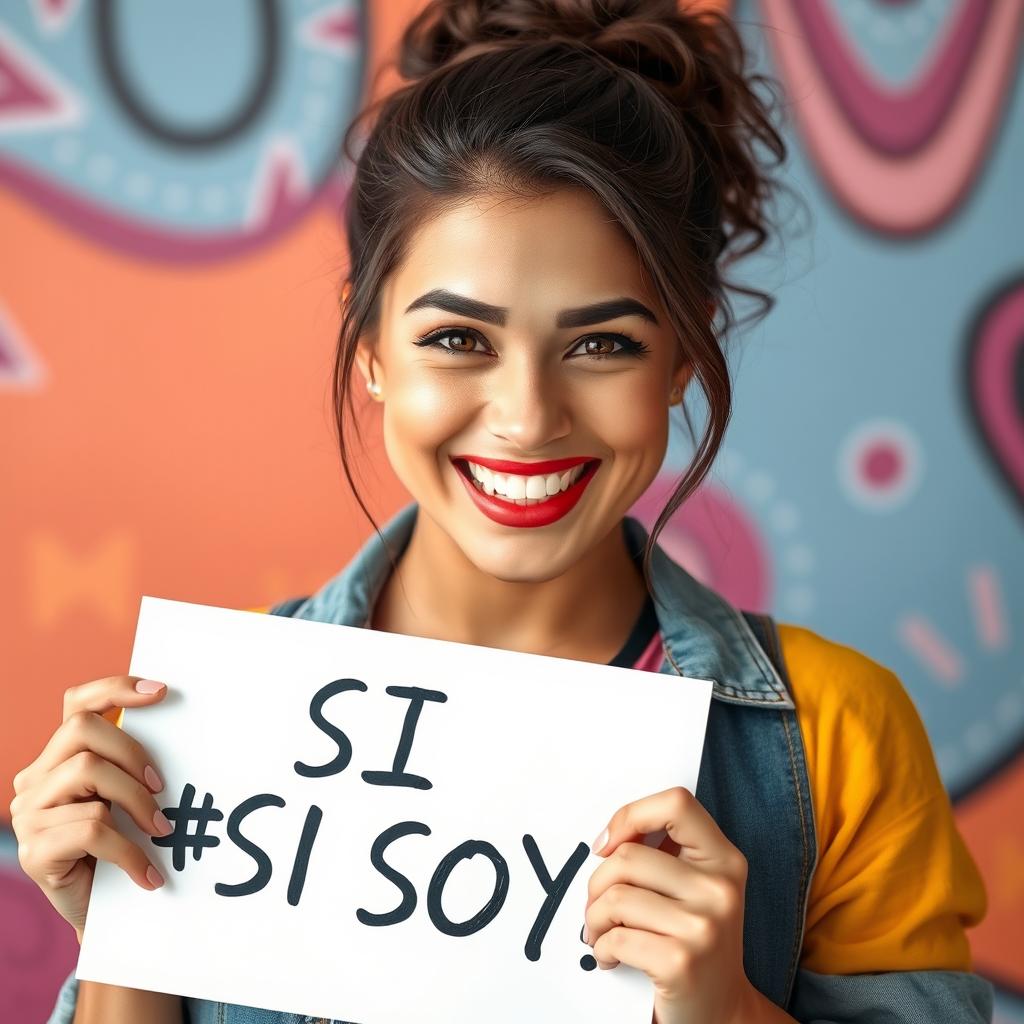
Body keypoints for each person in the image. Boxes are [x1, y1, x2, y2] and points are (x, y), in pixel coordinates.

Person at [13, 1, 992, 1021]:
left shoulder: (836, 733)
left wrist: (724, 1009)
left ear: (680, 358)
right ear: (370, 351)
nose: (526, 419)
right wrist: (133, 927)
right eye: (457, 339)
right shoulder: (199, 736)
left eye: (602, 343)